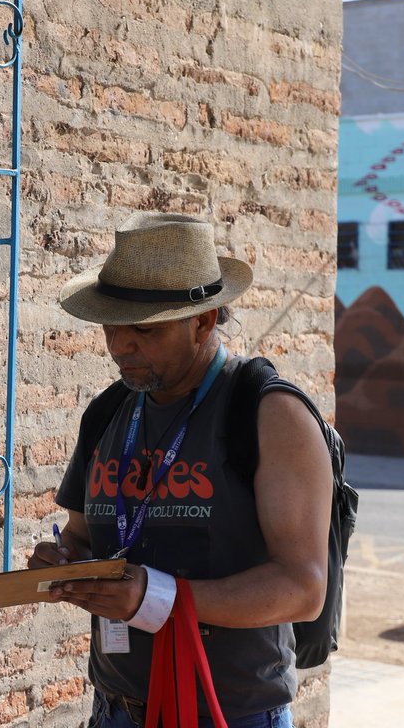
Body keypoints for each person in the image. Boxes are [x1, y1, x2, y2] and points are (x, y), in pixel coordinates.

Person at [28, 212, 332, 728]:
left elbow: (304, 588)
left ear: (204, 321)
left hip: (230, 713)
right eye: (110, 326)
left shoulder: (271, 414)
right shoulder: (107, 412)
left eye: (144, 329)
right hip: (115, 708)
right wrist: (65, 563)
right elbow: (81, 537)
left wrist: (159, 596)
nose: (119, 346)